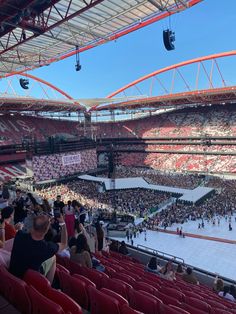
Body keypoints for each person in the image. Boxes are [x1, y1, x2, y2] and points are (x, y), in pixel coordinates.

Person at [9, 214, 67, 284]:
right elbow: (64, 244)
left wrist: (20, 228)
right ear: (46, 230)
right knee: (53, 257)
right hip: (27, 281)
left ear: (33, 226)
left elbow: (25, 233)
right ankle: (48, 287)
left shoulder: (19, 235)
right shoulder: (47, 248)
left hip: (12, 276)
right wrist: (63, 224)